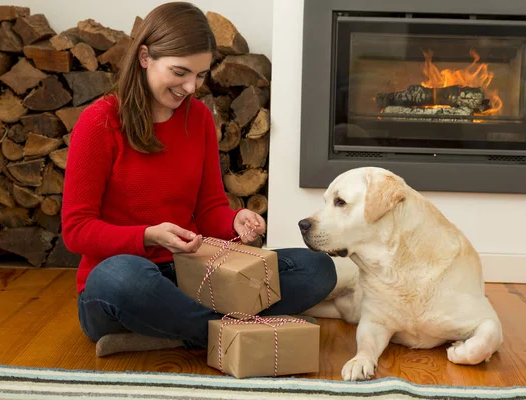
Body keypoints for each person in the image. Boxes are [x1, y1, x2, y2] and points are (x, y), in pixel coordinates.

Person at [61, 1, 337, 357]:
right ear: (145, 57)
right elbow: (76, 230)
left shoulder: (200, 119)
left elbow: (209, 209)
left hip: (194, 276)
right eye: (180, 72)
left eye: (201, 75)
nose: (191, 87)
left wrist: (234, 219)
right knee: (120, 278)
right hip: (123, 287)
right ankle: (231, 332)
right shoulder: (99, 123)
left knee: (316, 268)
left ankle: (183, 331)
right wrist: (147, 236)